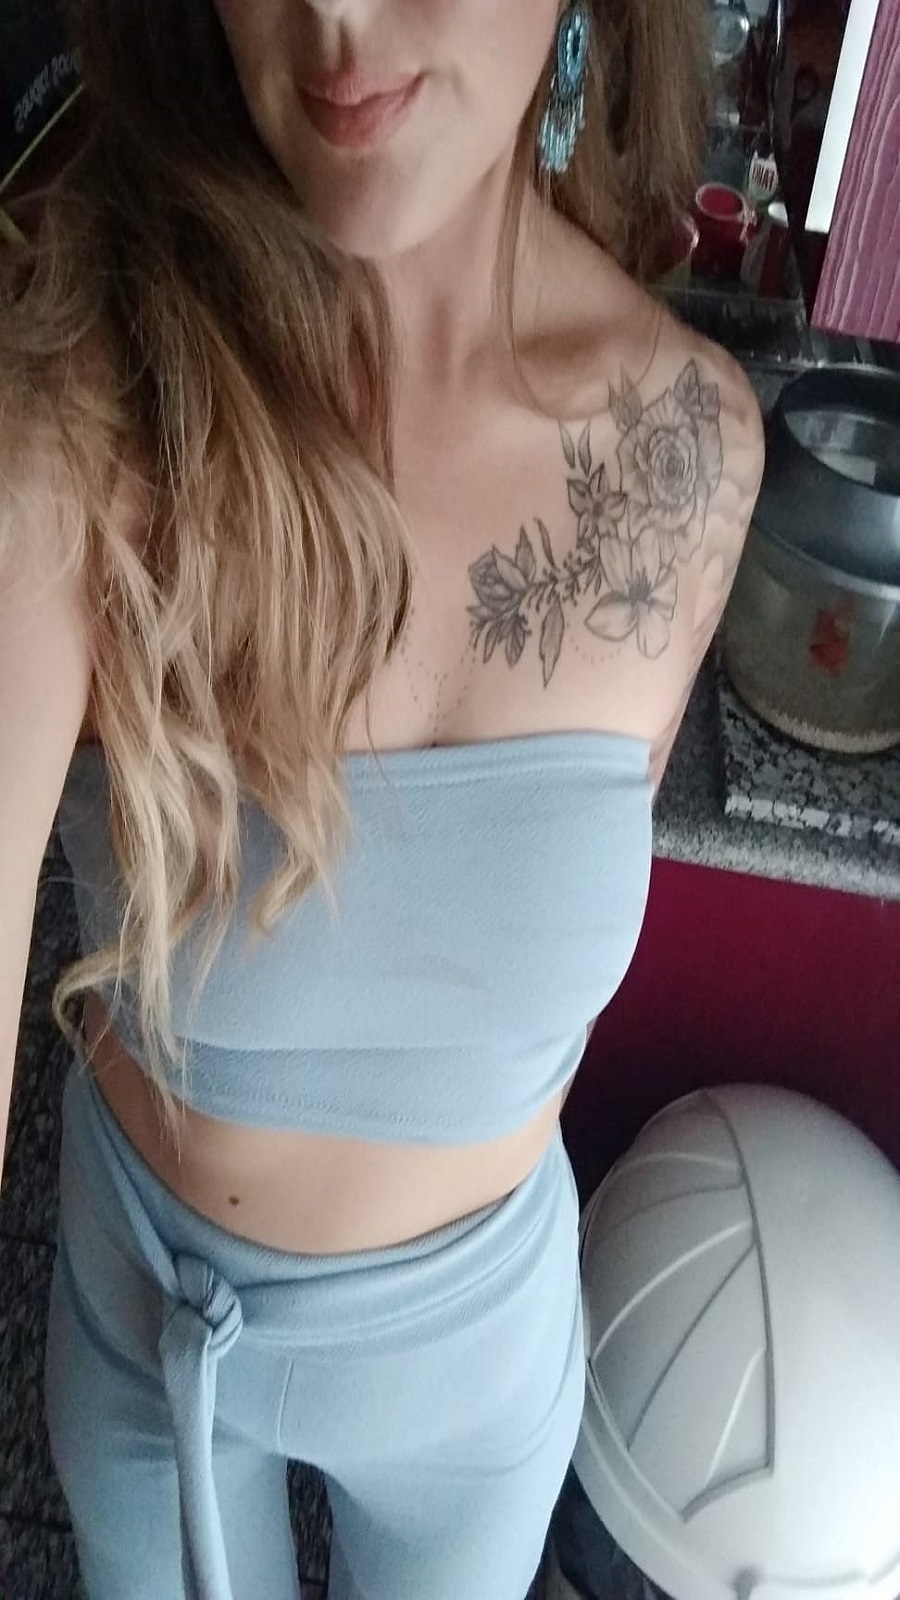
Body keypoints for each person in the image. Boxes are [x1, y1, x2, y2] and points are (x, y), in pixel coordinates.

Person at [0, 2, 764, 1596]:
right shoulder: (81, 406)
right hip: (154, 1328)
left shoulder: (686, 449)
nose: (335, 15)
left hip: (473, 1368)